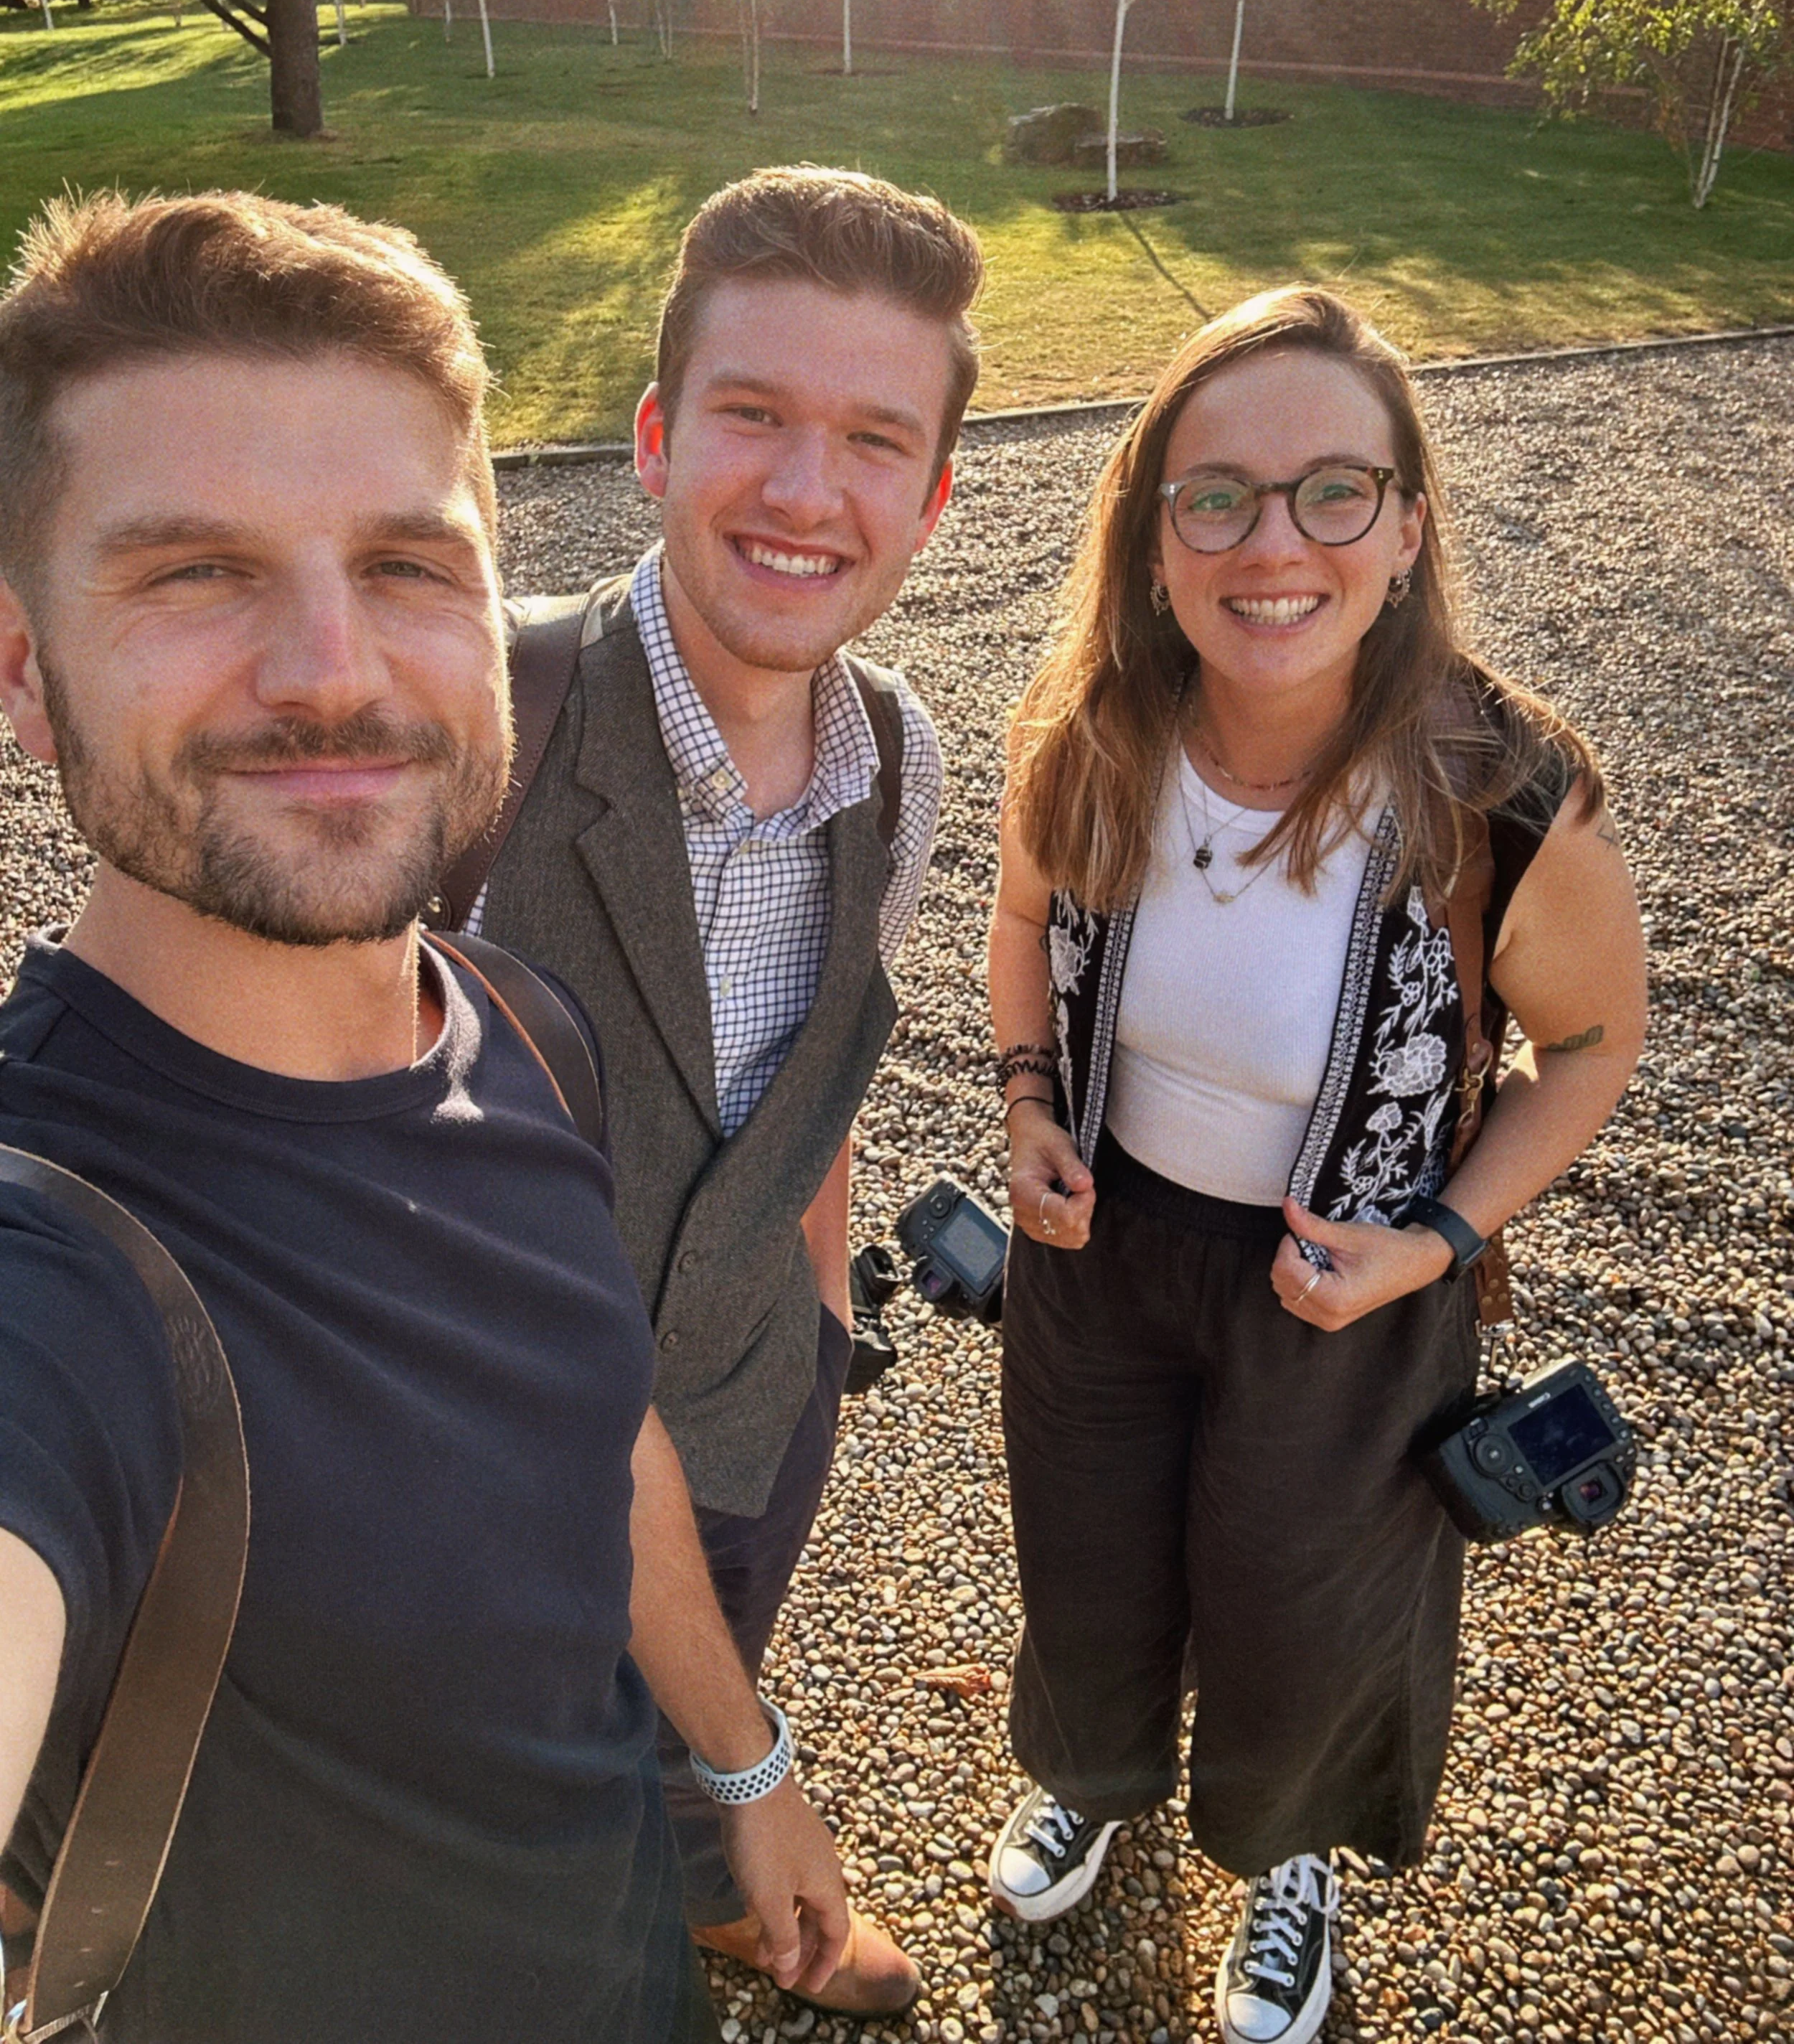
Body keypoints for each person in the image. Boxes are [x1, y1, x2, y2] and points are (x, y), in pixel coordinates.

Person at [0, 189, 852, 2044]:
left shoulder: (520, 1021)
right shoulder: (48, 1263)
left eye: (406, 564)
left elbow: (593, 1423)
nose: (331, 667)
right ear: (18, 662)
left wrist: (747, 1761)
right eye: (191, 571)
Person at [985, 287, 1647, 2044]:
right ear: (1150, 538)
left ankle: (1290, 1856)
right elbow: (1018, 917)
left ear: (1407, 525)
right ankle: (1096, 1776)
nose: (1270, 543)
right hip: (1100, 1245)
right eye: (1215, 496)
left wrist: (1432, 1239)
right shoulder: (1091, 731)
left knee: (1302, 1599)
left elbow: (1587, 1048)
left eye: (1330, 491)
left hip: (1346, 1287)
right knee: (1088, 1554)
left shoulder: (1502, 797)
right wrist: (1028, 1105)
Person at [461, 166, 980, 2017]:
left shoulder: (902, 757)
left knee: (704, 1692)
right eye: (752, 415)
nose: (802, 489)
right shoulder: (472, 725)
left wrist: (823, 1327)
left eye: (870, 440)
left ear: (930, 496)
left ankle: (704, 1888)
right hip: (477, 1460)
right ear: (657, 435)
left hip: (761, 1394)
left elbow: (821, 1078)